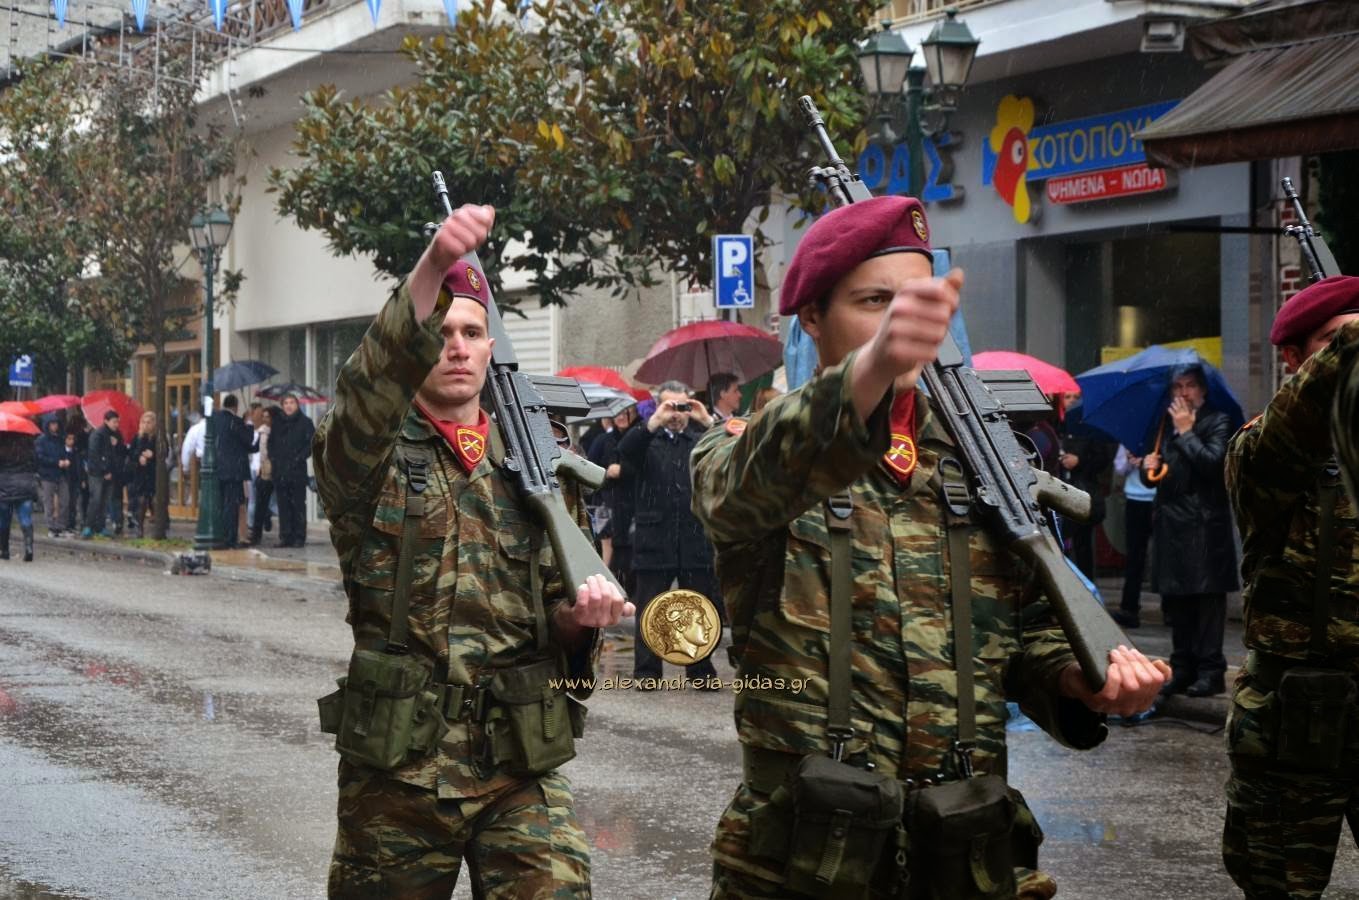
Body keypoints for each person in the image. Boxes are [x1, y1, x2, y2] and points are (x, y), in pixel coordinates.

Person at [690, 195, 1168, 899]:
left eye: (917, 302)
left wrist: (1081, 678)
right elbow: (742, 488)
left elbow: (1025, 631)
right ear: (812, 318)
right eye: (874, 301)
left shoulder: (978, 462)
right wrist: (871, 368)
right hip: (807, 858)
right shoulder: (752, 452)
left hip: (964, 851)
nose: (901, 322)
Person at [313, 202, 633, 898]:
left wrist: (580, 620)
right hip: (398, 767)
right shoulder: (366, 458)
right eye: (440, 332)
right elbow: (366, 388)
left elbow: (558, 608)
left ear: (490, 349)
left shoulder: (536, 464)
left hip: (518, 758)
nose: (456, 347)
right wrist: (432, 266)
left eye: (471, 332)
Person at [1222, 275, 1359, 898]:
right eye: (1335, 341)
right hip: (1298, 717)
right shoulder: (1262, 449)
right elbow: (1293, 428)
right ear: (1293, 357)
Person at [618, 379, 723, 684]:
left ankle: (700, 671)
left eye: (682, 406)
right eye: (670, 406)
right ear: (658, 406)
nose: (676, 414)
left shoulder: (701, 439)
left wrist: (709, 421)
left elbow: (734, 450)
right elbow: (625, 450)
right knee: (650, 606)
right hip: (654, 536)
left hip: (694, 536)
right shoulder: (646, 438)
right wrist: (654, 421)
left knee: (699, 607)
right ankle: (647, 672)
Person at [1143, 364, 1238, 699]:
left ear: (1203, 390)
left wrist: (1186, 433)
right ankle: (1182, 668)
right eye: (1177, 387)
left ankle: (1211, 671)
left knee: (1206, 603)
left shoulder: (1218, 421)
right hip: (1171, 528)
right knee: (1177, 603)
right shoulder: (1163, 426)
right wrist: (1148, 469)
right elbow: (1159, 478)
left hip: (1203, 528)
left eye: (1190, 386)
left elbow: (1214, 465)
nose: (1183, 393)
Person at [585, 405, 636, 578]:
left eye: (626, 413)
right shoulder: (602, 440)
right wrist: (606, 473)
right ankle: (605, 579)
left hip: (631, 503)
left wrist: (624, 470)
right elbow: (589, 469)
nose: (621, 417)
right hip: (605, 501)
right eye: (618, 414)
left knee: (629, 552)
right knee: (607, 546)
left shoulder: (636, 439)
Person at [1110, 444, 1156, 629]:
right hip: (1135, 499)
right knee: (1134, 555)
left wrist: (1149, 463)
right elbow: (1119, 468)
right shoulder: (1130, 439)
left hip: (1159, 499)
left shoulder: (1165, 437)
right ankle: (1129, 607)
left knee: (1165, 555)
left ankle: (1171, 609)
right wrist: (1130, 462)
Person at [270, 393, 315, 548]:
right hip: (280, 471)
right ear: (282, 406)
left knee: (298, 504)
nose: (289, 406)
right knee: (283, 505)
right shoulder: (277, 423)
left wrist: (299, 457)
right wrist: (274, 459)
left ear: (297, 405)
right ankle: (285, 535)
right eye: (286, 403)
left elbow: (312, 443)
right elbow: (271, 444)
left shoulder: (305, 422)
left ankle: (299, 536)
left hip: (297, 471)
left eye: (292, 402)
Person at [212, 394, 254, 549]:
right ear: (236, 406)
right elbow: (248, 441)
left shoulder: (215, 420)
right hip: (234, 471)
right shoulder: (236, 421)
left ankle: (219, 536)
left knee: (221, 503)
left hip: (219, 469)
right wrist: (249, 423)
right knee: (232, 505)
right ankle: (229, 538)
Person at [0, 431, 38, 561]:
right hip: (25, 485)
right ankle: (29, 548)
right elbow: (35, 464)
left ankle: (4, 550)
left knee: (4, 519)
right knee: (25, 517)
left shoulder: (2, 445)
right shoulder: (28, 445)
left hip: (4, 487)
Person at [82, 411, 121, 539]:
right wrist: (104, 470)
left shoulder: (117, 434)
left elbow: (120, 452)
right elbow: (94, 454)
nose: (116, 424)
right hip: (97, 473)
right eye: (114, 422)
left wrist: (116, 445)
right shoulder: (98, 434)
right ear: (106, 421)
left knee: (105, 500)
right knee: (96, 499)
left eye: (117, 422)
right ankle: (88, 525)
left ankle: (100, 526)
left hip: (111, 472)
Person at [247, 406, 277, 547]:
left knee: (274, 503)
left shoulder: (278, 432)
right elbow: (254, 449)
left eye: (267, 416)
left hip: (277, 470)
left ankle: (268, 517)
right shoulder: (261, 432)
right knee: (259, 503)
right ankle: (256, 532)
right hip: (263, 471)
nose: (265, 419)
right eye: (263, 416)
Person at [34, 415, 69, 537]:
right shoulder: (41, 440)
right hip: (47, 474)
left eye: (56, 424)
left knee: (64, 500)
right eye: (52, 424)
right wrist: (56, 462)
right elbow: (40, 457)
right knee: (48, 502)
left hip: (60, 473)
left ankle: (60, 525)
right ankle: (51, 526)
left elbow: (63, 452)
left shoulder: (59, 439)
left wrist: (65, 460)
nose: (55, 426)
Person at [125, 411, 157, 539]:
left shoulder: (157, 437)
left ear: (153, 424)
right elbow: (131, 453)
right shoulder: (137, 437)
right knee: (141, 500)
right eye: (143, 422)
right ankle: (140, 528)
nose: (146, 425)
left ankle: (158, 525)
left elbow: (164, 452)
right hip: (140, 473)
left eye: (148, 422)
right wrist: (139, 457)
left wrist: (153, 455)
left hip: (153, 472)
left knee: (155, 500)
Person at [61, 426, 84, 534]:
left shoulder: (76, 452)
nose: (71, 441)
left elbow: (79, 466)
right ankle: (65, 524)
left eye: (72, 439)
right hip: (65, 480)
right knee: (66, 502)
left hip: (75, 480)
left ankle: (72, 523)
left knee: (73, 503)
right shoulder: (62, 451)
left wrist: (82, 479)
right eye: (69, 439)